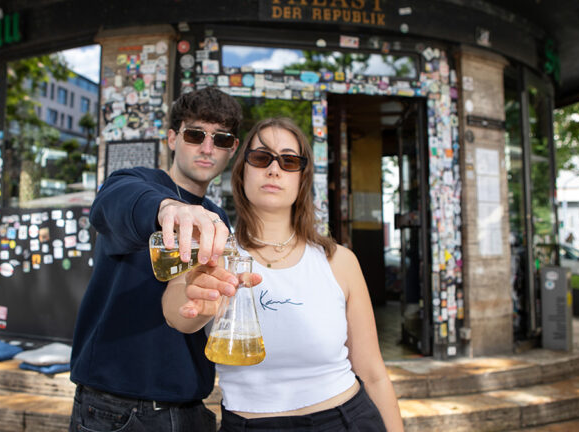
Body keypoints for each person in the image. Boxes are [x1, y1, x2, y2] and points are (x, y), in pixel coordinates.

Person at [164, 117, 404, 432]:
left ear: (302, 179)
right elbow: (177, 314)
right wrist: (198, 299)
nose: (274, 169)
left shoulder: (339, 261)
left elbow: (373, 373)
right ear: (242, 171)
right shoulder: (212, 253)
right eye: (261, 157)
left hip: (347, 420)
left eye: (289, 160)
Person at [69, 87, 256, 432]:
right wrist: (169, 209)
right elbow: (113, 203)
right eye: (196, 134)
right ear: (172, 138)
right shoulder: (134, 183)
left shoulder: (217, 219)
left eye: (221, 139)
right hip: (117, 406)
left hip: (189, 404)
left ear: (232, 149)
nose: (207, 147)